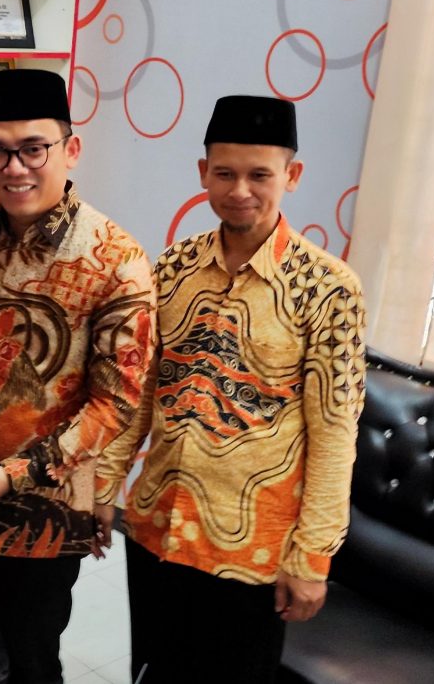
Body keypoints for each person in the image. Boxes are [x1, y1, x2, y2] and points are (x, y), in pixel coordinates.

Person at [0, 68, 156, 683]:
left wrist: (13, 476)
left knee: (32, 663)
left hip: (42, 513)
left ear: (71, 149)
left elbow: (115, 406)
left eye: (33, 149)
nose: (14, 168)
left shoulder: (117, 261)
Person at [123, 95, 367, 683]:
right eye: (225, 173)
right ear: (203, 172)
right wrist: (106, 484)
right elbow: (142, 386)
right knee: (152, 672)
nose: (240, 191)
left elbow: (335, 434)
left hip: (251, 552)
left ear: (292, 175)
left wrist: (313, 557)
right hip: (156, 525)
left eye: (260, 175)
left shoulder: (329, 289)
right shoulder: (174, 265)